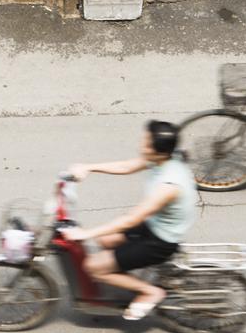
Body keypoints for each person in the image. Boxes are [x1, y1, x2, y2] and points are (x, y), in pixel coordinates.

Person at [59, 121, 198, 321]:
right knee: (105, 240)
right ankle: (121, 273)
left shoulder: (169, 186)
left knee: (93, 267)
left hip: (159, 242)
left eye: (146, 143)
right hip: (154, 225)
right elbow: (127, 166)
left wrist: (85, 233)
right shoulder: (164, 158)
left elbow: (131, 219)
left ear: (158, 151)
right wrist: (88, 167)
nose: (141, 145)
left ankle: (150, 292)